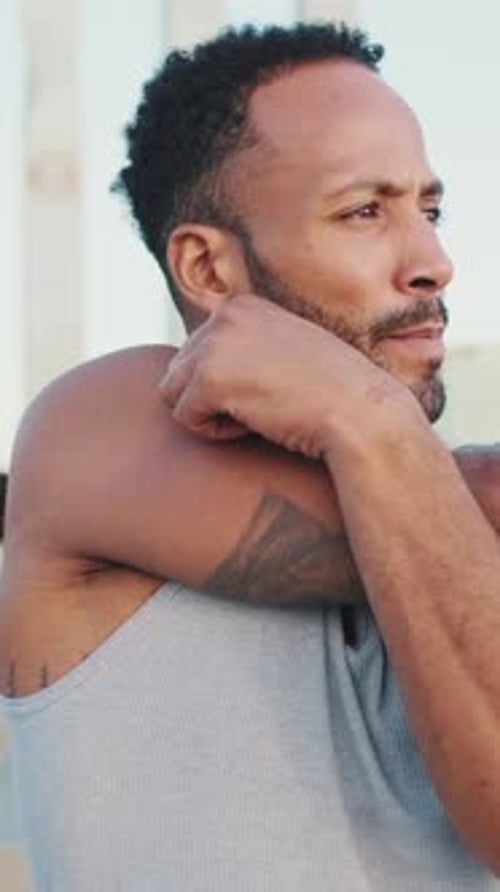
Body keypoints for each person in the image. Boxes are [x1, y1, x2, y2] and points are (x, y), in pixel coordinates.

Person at [1, 21, 500, 890]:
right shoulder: (98, 426)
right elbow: (466, 497)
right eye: (363, 212)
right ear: (206, 268)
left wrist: (364, 417)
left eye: (430, 208)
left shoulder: (418, 489)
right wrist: (367, 410)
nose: (434, 261)